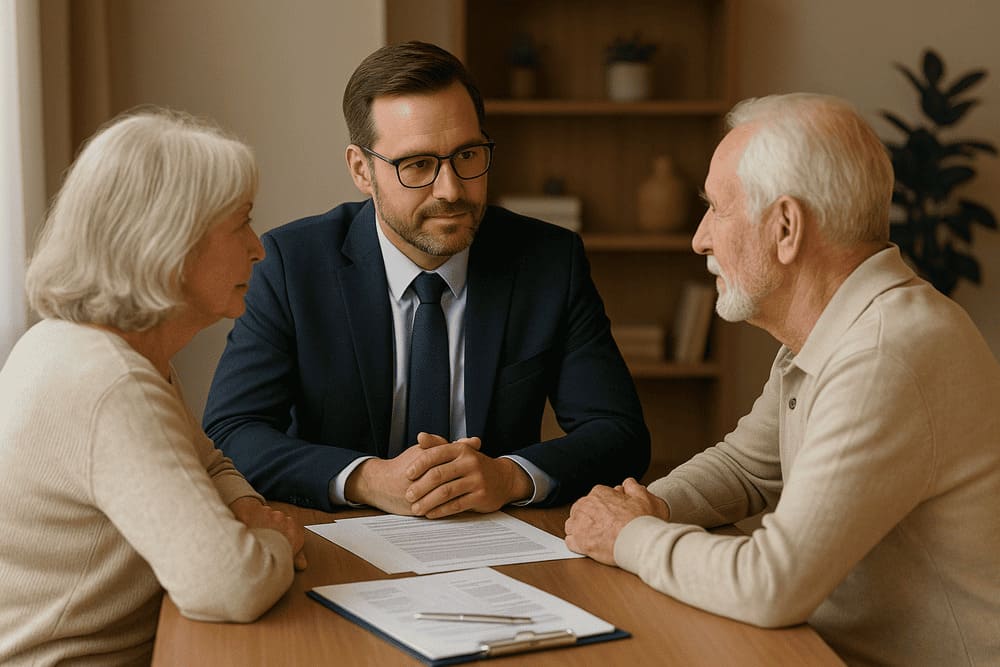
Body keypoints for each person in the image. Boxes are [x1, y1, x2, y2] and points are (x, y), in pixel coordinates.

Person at [564, 93, 1000, 666]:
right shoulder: (836, 328)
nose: (700, 238)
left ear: (786, 227)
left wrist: (628, 537)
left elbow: (772, 584)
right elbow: (746, 467)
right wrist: (642, 507)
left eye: (717, 209)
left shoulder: (882, 353)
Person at [203, 41, 649, 518]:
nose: (451, 189)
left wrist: (509, 475)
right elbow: (232, 431)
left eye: (468, 155)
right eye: (417, 165)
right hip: (340, 539)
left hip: (498, 541)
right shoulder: (292, 266)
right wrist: (366, 479)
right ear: (362, 170)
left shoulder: (547, 262)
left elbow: (618, 434)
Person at [0, 108, 308, 665]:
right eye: (241, 222)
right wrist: (277, 542)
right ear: (170, 243)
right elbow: (231, 587)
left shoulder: (95, 349)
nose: (258, 247)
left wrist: (245, 508)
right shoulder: (110, 381)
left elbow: (208, 461)